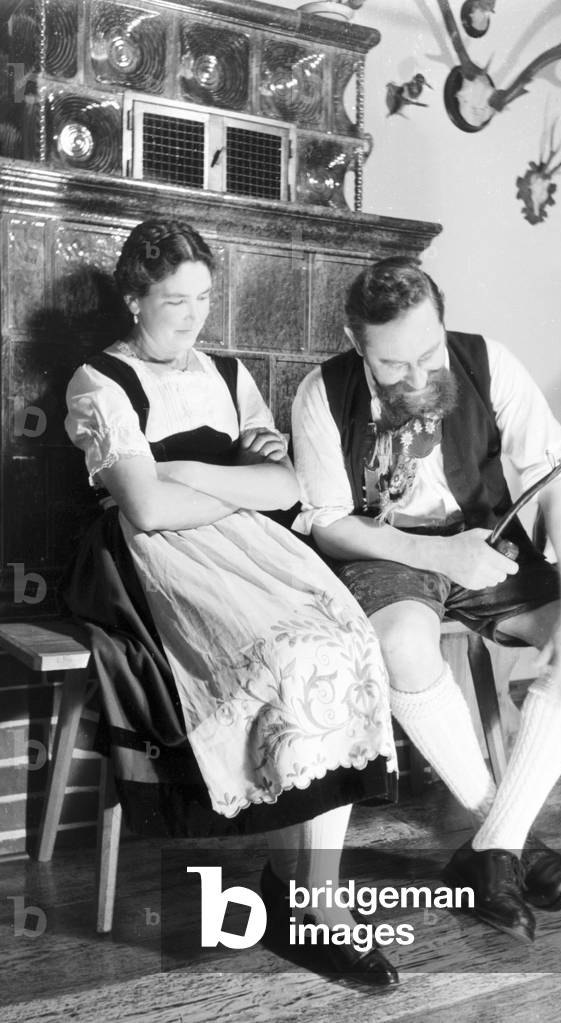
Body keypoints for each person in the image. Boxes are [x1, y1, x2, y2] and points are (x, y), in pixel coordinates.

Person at [63, 220, 400, 985]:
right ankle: (308, 901)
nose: (192, 316)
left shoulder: (229, 372)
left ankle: (306, 892)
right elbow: (144, 511)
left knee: (345, 640)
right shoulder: (98, 382)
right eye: (174, 301)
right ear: (133, 298)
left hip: (248, 543)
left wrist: (183, 468)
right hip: (153, 561)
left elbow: (286, 488)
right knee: (284, 654)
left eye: (204, 298)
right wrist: (217, 483)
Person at [291, 256, 561, 944]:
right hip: (392, 555)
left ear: (443, 323)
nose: (415, 377)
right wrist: (439, 554)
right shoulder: (320, 393)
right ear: (357, 345)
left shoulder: (488, 362)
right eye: (391, 366)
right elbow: (328, 522)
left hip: (490, 546)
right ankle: (510, 843)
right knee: (401, 643)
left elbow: (559, 484)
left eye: (427, 353)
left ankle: (492, 846)